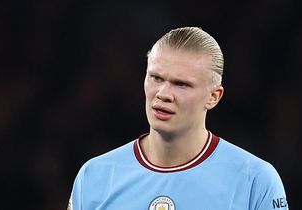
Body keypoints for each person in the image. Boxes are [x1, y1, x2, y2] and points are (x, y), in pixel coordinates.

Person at [67, 27, 288, 210]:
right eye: (156, 77)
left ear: (213, 97)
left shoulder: (255, 180)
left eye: (181, 84)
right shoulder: (94, 176)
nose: (163, 93)